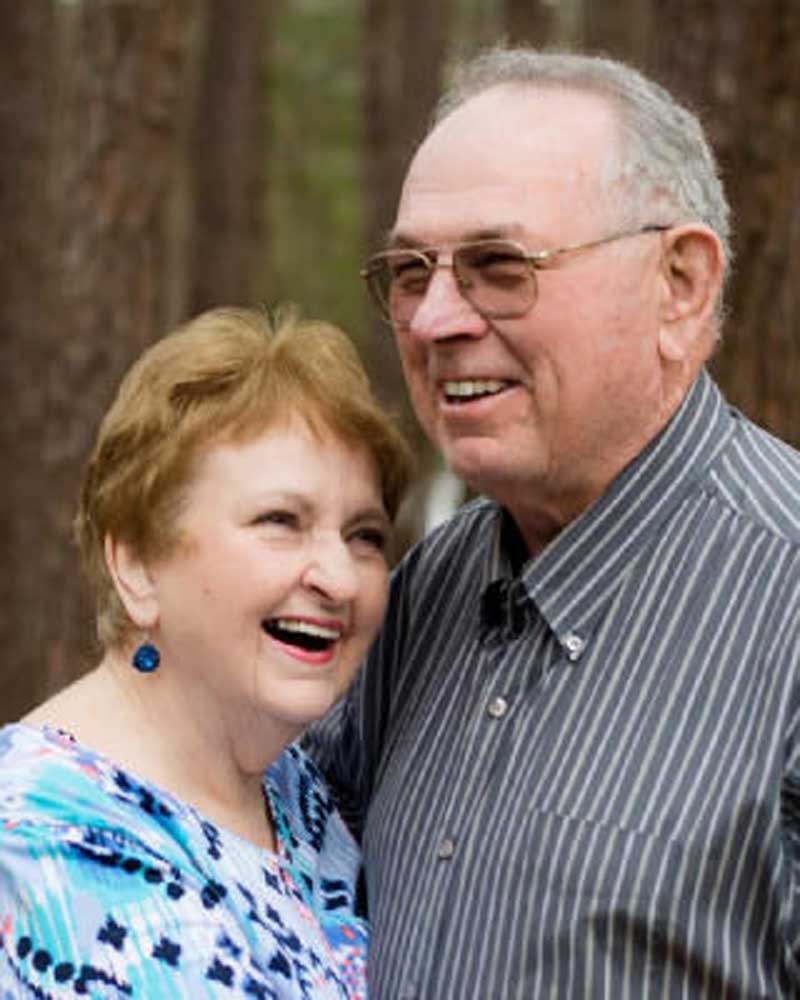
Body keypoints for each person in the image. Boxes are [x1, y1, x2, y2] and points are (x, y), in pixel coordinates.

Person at [307, 47, 800, 998]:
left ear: (680, 284)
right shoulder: (425, 590)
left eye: (499, 266)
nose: (434, 321)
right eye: (410, 272)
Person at [0, 306, 412, 998]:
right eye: (281, 521)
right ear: (137, 565)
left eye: (364, 535)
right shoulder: (47, 843)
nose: (340, 579)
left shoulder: (293, 791)